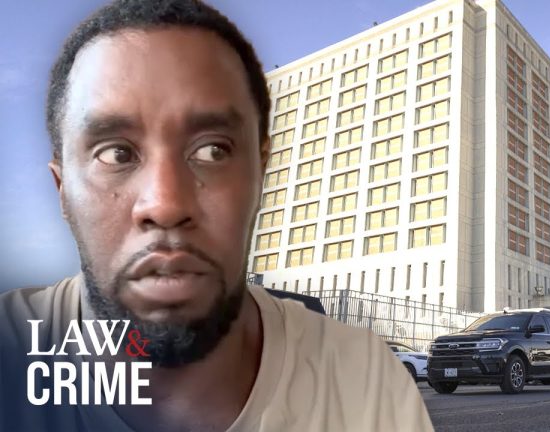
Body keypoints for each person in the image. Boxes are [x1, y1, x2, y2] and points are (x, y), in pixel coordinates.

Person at [0, 1, 433, 431]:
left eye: (212, 150)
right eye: (116, 153)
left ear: (261, 173)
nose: (166, 204)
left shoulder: (367, 386)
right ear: (62, 191)